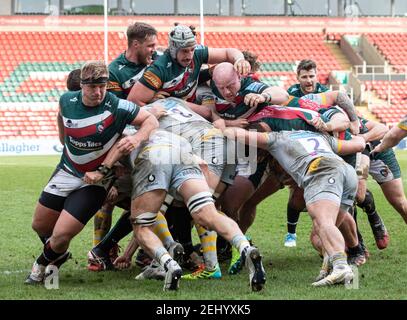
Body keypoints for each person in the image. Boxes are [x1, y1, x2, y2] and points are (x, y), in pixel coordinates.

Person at [25, 60, 158, 285]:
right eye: (92, 87)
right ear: (82, 86)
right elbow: (61, 116)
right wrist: (62, 137)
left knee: (61, 234)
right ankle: (57, 253)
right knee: (40, 225)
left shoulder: (117, 105)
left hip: (97, 180)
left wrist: (135, 138)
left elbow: (151, 120)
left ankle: (41, 266)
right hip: (67, 171)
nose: (98, 92)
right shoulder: (67, 100)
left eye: (102, 86)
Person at [85, 129, 267, 292]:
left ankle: (168, 264)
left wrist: (104, 174)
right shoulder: (166, 126)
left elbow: (115, 163)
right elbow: (202, 165)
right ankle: (245, 248)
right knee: (207, 214)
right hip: (188, 157)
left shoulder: (120, 136)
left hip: (154, 157)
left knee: (142, 225)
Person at [223, 125, 366, 286]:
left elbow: (234, 132)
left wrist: (221, 123)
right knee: (321, 233)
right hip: (347, 172)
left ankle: (341, 267)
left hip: (320, 170)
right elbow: (359, 145)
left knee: (324, 223)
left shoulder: (275, 138)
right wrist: (358, 135)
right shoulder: (319, 137)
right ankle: (329, 269)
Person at [127, 24, 252, 113]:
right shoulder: (159, 69)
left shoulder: (197, 52)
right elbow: (133, 100)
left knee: (210, 102)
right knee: (208, 114)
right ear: (173, 49)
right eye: (185, 51)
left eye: (192, 50)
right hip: (174, 110)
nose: (189, 55)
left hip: (191, 101)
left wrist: (240, 59)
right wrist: (153, 102)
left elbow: (227, 53)